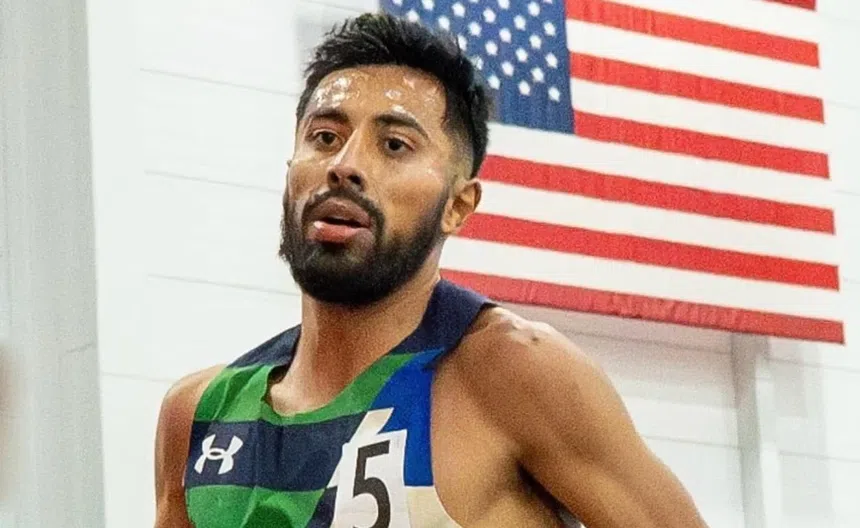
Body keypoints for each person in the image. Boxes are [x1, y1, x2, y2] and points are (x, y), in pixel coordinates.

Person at [154, 12, 709, 528]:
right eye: (325, 137)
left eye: (394, 145)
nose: (344, 165)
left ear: (458, 205)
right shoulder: (198, 414)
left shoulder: (514, 372)